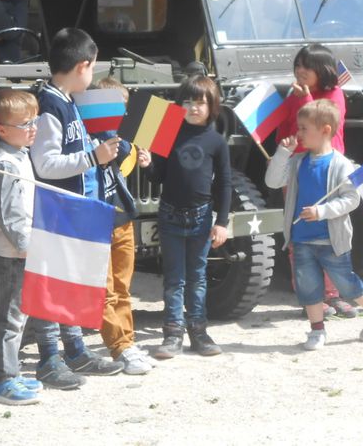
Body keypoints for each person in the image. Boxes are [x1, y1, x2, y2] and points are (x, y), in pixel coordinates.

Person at [28, 28, 124, 386]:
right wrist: (92, 158)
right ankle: (49, 358)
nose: (93, 75)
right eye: (93, 68)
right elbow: (45, 165)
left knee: (68, 281)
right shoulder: (49, 104)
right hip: (55, 208)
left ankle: (74, 350)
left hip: (74, 207)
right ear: (82, 65)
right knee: (51, 284)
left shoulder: (67, 100)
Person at [265, 100, 363, 350]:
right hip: (301, 238)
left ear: (324, 130)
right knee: (308, 287)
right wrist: (281, 154)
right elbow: (272, 181)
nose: (298, 133)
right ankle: (317, 331)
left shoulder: (341, 163)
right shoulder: (297, 161)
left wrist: (322, 211)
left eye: (303, 129)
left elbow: (351, 199)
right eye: (298, 128)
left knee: (347, 283)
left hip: (331, 240)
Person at [141, 75, 230, 358]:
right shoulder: (168, 132)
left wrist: (222, 222)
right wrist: (147, 165)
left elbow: (224, 184)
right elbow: (159, 176)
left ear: (212, 105)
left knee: (197, 277)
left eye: (199, 103)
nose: (193, 108)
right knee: (174, 278)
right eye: (187, 102)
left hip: (202, 217)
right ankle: (172, 333)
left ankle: (199, 331)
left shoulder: (217, 141)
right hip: (170, 215)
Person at [275, 44, 355, 317]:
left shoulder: (335, 94)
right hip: (298, 171)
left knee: (330, 234)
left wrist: (307, 98)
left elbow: (322, 129)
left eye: (306, 67)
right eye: (297, 66)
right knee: (300, 233)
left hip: (329, 171)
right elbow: (285, 125)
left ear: (322, 70)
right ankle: (310, 297)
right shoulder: (294, 94)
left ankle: (333, 295)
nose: (299, 71)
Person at [0, 89, 43, 405]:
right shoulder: (5, 163)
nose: (33, 127)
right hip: (11, 251)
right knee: (10, 316)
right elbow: (7, 212)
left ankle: (12, 373)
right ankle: (2, 380)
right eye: (25, 123)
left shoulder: (20, 155)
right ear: (2, 130)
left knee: (18, 315)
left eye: (34, 120)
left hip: (21, 248)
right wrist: (24, 245)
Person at [92, 77, 151, 374]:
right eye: (112, 106)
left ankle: (128, 343)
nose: (119, 112)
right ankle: (119, 347)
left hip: (123, 218)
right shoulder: (94, 137)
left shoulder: (126, 139)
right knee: (106, 293)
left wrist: (145, 157)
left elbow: (128, 162)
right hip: (99, 220)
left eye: (123, 107)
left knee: (124, 289)